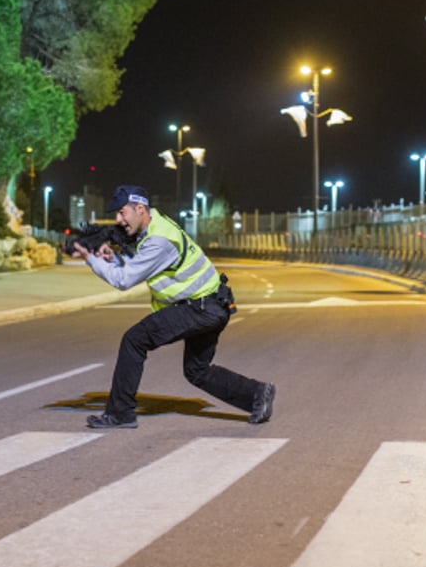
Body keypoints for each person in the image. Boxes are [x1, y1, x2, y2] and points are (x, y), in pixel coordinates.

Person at [72, 184, 276, 429]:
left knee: (134, 340)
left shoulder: (159, 239)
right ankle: (258, 394)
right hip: (211, 305)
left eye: (122, 212)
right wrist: (113, 258)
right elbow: (141, 265)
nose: (118, 219)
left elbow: (123, 280)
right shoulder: (156, 227)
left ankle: (120, 413)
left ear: (140, 209)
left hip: (200, 308)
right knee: (196, 371)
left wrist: (90, 258)